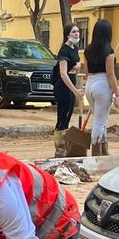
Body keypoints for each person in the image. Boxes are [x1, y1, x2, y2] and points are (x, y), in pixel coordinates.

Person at [84, 19, 119, 156]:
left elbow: (87, 72)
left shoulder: (87, 50)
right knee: (100, 121)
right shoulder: (109, 51)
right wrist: (117, 94)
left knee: (99, 118)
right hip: (102, 85)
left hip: (90, 84)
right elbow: (111, 75)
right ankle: (96, 152)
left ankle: (104, 151)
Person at [52, 23, 84, 158]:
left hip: (72, 82)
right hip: (63, 86)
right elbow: (63, 73)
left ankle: (64, 148)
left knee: (69, 114)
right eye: (73, 32)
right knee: (62, 115)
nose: (76, 34)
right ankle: (59, 149)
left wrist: (77, 67)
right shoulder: (64, 50)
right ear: (67, 34)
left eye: (77, 31)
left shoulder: (75, 49)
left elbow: (76, 67)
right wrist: (75, 90)